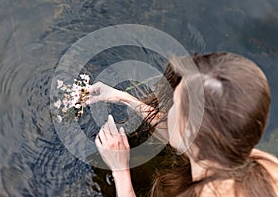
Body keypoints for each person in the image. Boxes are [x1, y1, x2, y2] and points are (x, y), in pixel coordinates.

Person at [89, 52, 278, 197]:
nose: (169, 112)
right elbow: (182, 132)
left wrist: (120, 170)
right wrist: (124, 98)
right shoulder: (262, 164)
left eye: (175, 106)